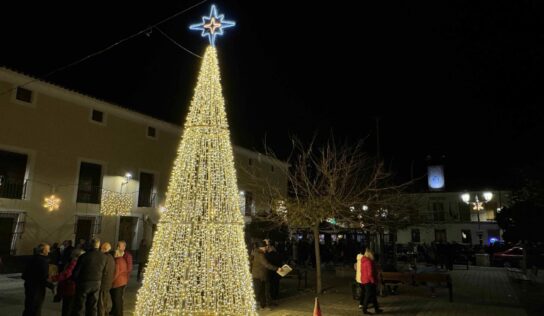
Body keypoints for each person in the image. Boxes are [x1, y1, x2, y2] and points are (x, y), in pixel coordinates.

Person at [71, 238, 107, 316]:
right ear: (99, 245)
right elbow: (104, 270)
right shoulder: (104, 257)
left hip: (84, 282)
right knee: (93, 306)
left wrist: (74, 280)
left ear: (90, 245)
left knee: (80, 305)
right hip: (97, 282)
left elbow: (76, 271)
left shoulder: (84, 256)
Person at [22, 243, 53, 316]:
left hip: (28, 285)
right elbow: (43, 278)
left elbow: (24, 275)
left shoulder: (31, 258)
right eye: (48, 250)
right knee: (36, 308)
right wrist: (51, 286)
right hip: (37, 288)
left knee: (28, 307)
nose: (49, 251)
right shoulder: (43, 261)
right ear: (43, 250)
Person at [52, 248, 84, 316]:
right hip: (74, 288)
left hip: (70, 288)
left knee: (67, 309)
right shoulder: (79, 263)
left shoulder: (73, 262)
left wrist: (54, 278)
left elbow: (66, 274)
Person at [251, 240, 282, 310]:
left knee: (262, 291)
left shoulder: (257, 252)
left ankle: (262, 306)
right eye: (265, 247)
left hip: (259, 275)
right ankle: (256, 306)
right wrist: (277, 268)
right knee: (258, 292)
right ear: (261, 247)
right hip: (259, 275)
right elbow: (266, 264)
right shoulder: (260, 254)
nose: (266, 248)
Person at [360, 249, 383, 315]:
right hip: (369, 281)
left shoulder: (363, 261)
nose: (373, 255)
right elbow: (370, 273)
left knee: (373, 295)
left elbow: (362, 271)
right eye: (372, 254)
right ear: (370, 254)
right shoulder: (369, 262)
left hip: (365, 280)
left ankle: (376, 309)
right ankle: (365, 310)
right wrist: (373, 281)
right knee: (368, 296)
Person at [110, 247, 129, 316]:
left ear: (118, 254)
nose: (114, 254)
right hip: (123, 282)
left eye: (115, 253)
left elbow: (116, 273)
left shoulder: (117, 261)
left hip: (117, 283)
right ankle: (117, 312)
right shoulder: (122, 260)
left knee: (116, 300)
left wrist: (111, 281)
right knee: (119, 299)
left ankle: (118, 313)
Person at [98, 242, 115, 316]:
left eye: (101, 248)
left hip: (103, 283)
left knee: (101, 302)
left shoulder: (104, 258)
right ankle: (106, 314)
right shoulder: (111, 257)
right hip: (108, 283)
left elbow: (103, 270)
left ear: (103, 249)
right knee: (105, 301)